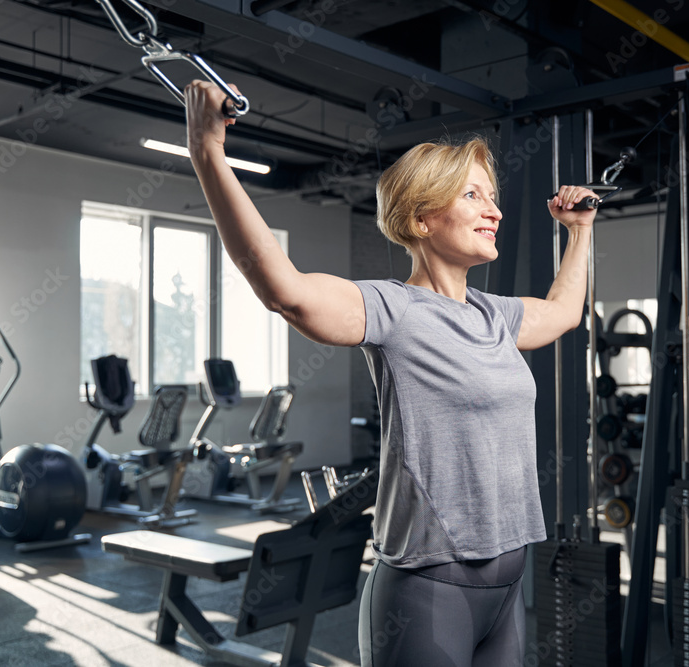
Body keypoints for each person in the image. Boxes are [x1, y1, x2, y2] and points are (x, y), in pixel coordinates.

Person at [185, 80, 597, 667]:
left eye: (493, 196)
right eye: (473, 196)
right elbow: (286, 292)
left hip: (509, 581)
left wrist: (579, 234)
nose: (495, 210)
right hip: (429, 590)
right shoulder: (392, 309)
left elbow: (562, 312)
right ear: (423, 219)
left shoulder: (492, 314)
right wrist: (208, 154)